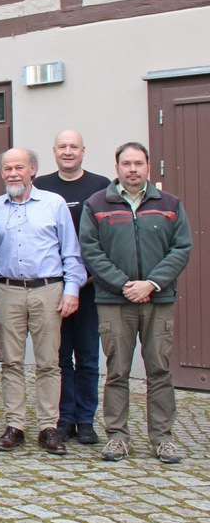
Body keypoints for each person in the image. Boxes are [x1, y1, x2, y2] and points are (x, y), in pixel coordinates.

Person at [80, 142, 191, 464]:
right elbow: (90, 249)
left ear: (147, 167)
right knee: (117, 371)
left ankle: (162, 438)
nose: (132, 169)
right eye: (126, 164)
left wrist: (152, 283)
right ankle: (117, 436)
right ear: (117, 168)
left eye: (138, 164)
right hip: (115, 302)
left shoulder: (170, 203)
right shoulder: (97, 204)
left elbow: (181, 247)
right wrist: (123, 284)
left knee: (159, 370)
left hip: (159, 299)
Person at [0, 148, 85, 456]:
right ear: (2, 173)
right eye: (8, 168)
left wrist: (71, 291)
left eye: (19, 168)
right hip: (8, 291)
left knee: (49, 362)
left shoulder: (54, 205)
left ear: (33, 170)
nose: (13, 173)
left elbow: (71, 253)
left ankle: (48, 427)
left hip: (47, 290)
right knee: (10, 361)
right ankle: (15, 425)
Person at [34, 130, 111, 445]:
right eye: (62, 147)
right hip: (54, 286)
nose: (68, 152)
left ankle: (86, 419)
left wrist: (88, 276)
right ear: (54, 151)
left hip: (91, 286)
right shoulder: (41, 187)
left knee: (89, 355)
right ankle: (64, 418)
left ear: (83, 151)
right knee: (60, 356)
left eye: (73, 147)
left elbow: (109, 236)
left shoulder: (102, 186)